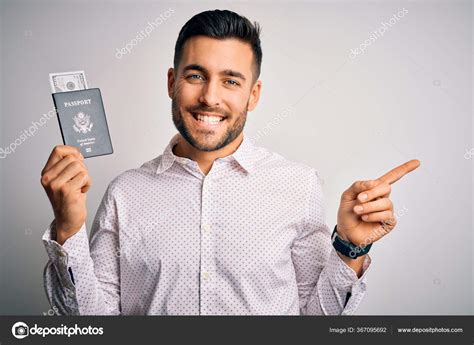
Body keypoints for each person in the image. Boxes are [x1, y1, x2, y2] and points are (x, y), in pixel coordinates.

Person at [40, 9, 419, 315]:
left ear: (253, 95)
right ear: (172, 82)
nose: (210, 97)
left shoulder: (298, 185)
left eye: (231, 81)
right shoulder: (125, 193)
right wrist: (67, 230)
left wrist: (350, 249)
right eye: (195, 75)